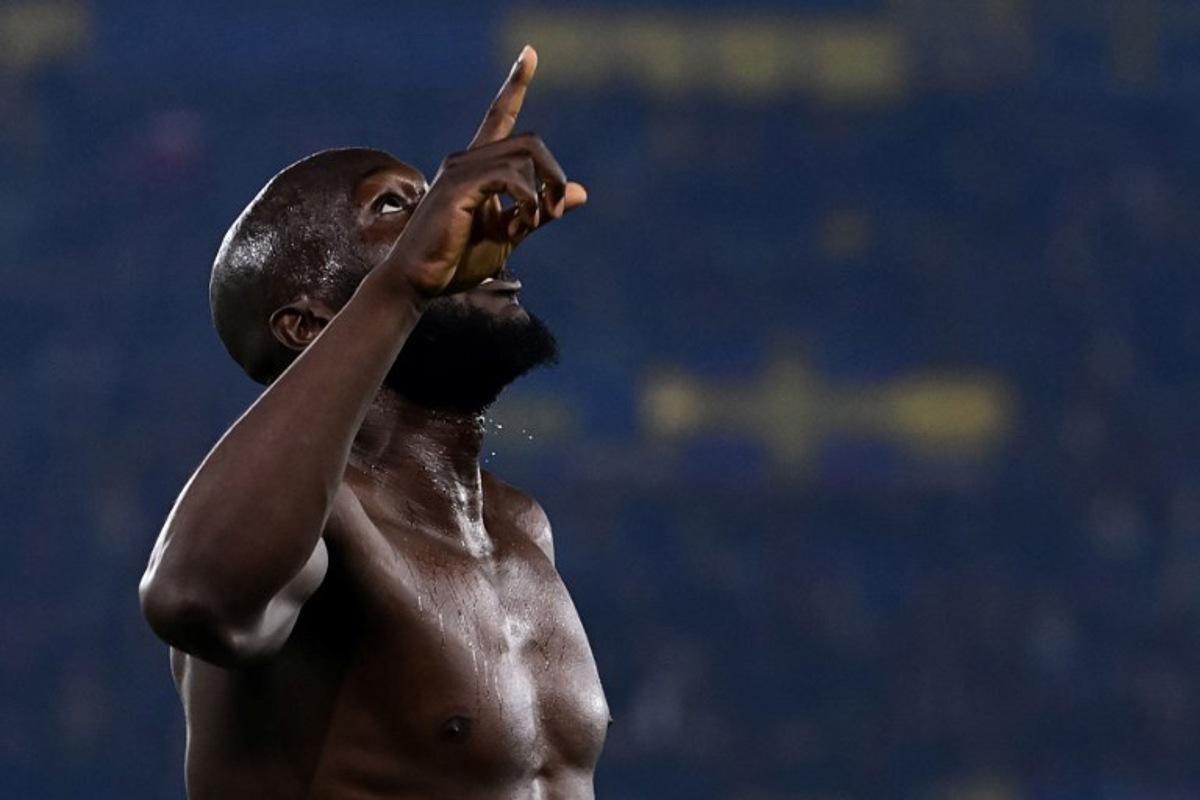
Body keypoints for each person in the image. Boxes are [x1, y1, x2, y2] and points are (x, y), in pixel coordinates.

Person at [138, 46, 609, 799]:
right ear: (307, 323)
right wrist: (404, 285)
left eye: (434, 199)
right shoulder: (318, 528)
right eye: (397, 208)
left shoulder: (522, 527)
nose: (450, 225)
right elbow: (195, 598)